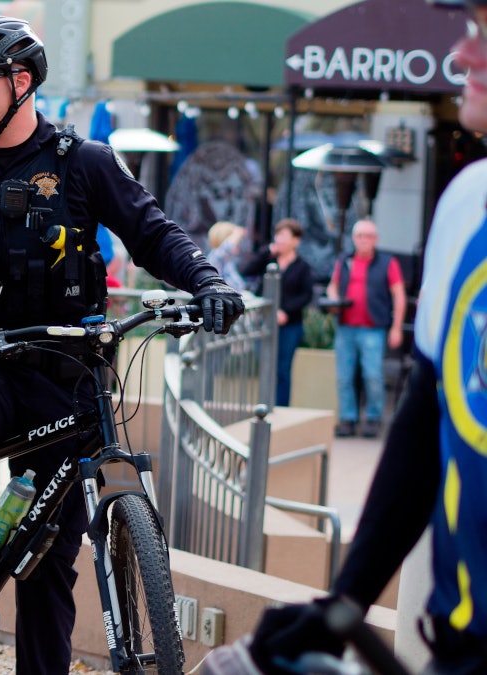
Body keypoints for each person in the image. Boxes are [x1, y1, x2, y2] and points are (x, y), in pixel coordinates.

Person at [0, 15, 245, 673]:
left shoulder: (84, 164)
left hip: (65, 380)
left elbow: (153, 233)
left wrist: (206, 279)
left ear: (21, 81)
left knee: (47, 565)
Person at [203, 1, 487, 672]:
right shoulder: (466, 203)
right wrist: (343, 606)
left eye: (486, 38)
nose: (463, 57)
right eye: (474, 32)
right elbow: (425, 422)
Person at [324, 219, 406, 438]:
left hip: (373, 328)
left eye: (368, 236)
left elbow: (399, 295)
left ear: (376, 239)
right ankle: (348, 419)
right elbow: (333, 284)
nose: (364, 240)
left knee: (372, 376)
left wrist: (396, 327)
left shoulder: (387, 262)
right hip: (346, 327)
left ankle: (373, 418)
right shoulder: (345, 259)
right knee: (344, 377)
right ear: (354, 238)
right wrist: (333, 298)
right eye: (360, 235)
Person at [239, 219, 315, 407]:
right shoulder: (268, 259)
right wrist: (265, 252)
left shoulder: (302, 266)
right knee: (265, 366)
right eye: (277, 235)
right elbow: (246, 271)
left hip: (289, 325)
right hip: (264, 322)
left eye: (284, 235)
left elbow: (306, 295)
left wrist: (285, 312)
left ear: (295, 240)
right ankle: (263, 405)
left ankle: (281, 407)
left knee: (283, 368)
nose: (279, 239)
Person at [207, 220, 249, 292]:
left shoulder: (228, 262)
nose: (238, 246)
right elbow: (227, 247)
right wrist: (237, 233)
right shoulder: (215, 257)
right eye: (238, 243)